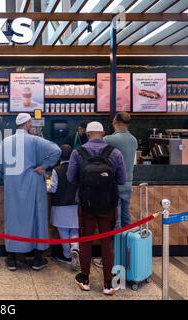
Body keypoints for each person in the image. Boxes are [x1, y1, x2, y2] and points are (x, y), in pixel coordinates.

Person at [67, 121, 126, 296]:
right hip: (108, 205)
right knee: (107, 242)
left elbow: (71, 177)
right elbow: (122, 180)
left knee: (86, 240)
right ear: (102, 133)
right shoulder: (114, 153)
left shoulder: (78, 152)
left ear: (87, 133)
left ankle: (84, 279)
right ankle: (108, 283)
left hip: (86, 204)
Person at [0, 113, 61, 271]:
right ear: (28, 124)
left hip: (12, 185)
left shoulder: (5, 141)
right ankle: (38, 258)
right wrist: (45, 165)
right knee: (36, 218)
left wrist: (1, 176)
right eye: (31, 123)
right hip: (33, 184)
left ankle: (12, 259)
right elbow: (56, 150)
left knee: (13, 218)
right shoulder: (34, 140)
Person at [93, 112, 138, 269]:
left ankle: (113, 259)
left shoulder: (109, 139)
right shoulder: (133, 140)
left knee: (115, 222)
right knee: (126, 221)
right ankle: (128, 256)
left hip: (113, 186)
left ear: (115, 121)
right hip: (128, 184)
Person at [47, 144, 80, 271]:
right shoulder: (78, 168)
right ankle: (75, 248)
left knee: (63, 232)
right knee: (74, 230)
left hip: (60, 206)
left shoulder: (57, 170)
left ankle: (66, 255)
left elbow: (53, 188)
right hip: (76, 205)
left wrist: (45, 187)